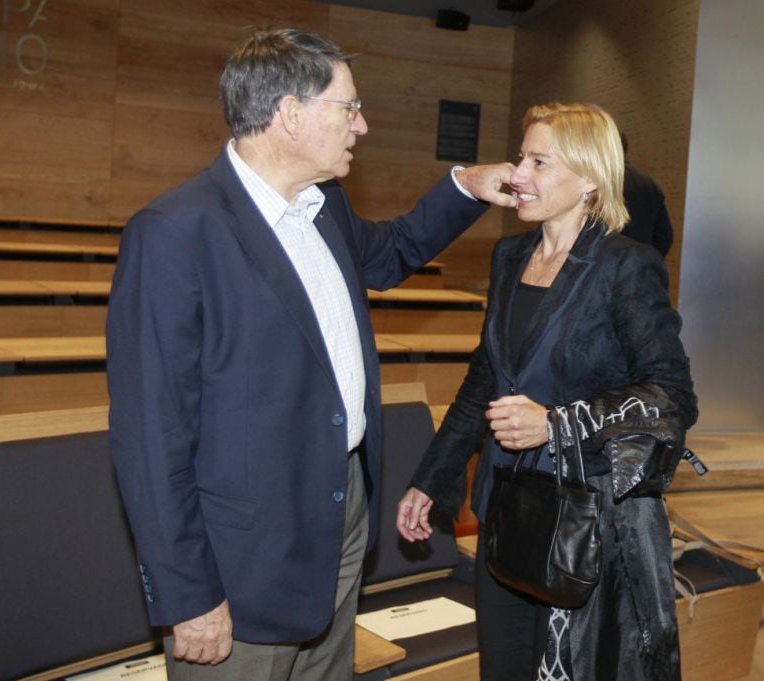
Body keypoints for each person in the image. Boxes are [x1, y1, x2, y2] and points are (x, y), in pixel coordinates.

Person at [106, 26, 517, 681]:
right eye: (347, 107)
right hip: (243, 550)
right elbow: (151, 439)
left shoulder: (326, 208)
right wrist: (189, 595)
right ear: (289, 115)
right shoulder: (177, 233)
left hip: (339, 506)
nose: (362, 125)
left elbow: (396, 252)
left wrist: (466, 183)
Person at [397, 102, 698, 681]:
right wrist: (430, 480)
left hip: (584, 521)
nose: (518, 174)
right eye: (520, 158)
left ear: (589, 179)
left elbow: (673, 397)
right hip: (504, 509)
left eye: (539, 161)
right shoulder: (509, 256)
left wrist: (557, 422)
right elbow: (485, 380)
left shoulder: (624, 266)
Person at [620, 131, 674, 257]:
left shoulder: (597, 184)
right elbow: (665, 236)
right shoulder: (651, 184)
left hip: (607, 270)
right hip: (641, 267)